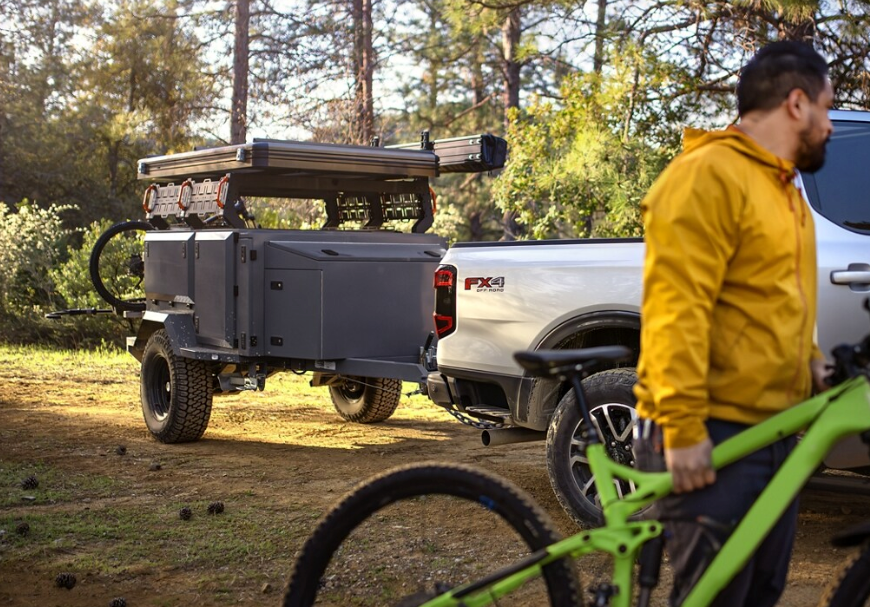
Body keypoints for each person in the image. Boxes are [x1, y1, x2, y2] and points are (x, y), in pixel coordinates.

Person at [632, 40, 834, 607]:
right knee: (716, 599)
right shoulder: (706, 176)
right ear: (797, 103)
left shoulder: (781, 187)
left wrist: (813, 364)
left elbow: (773, 298)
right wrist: (686, 427)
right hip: (713, 430)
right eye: (827, 107)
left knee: (759, 594)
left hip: (773, 429)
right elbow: (677, 309)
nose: (831, 126)